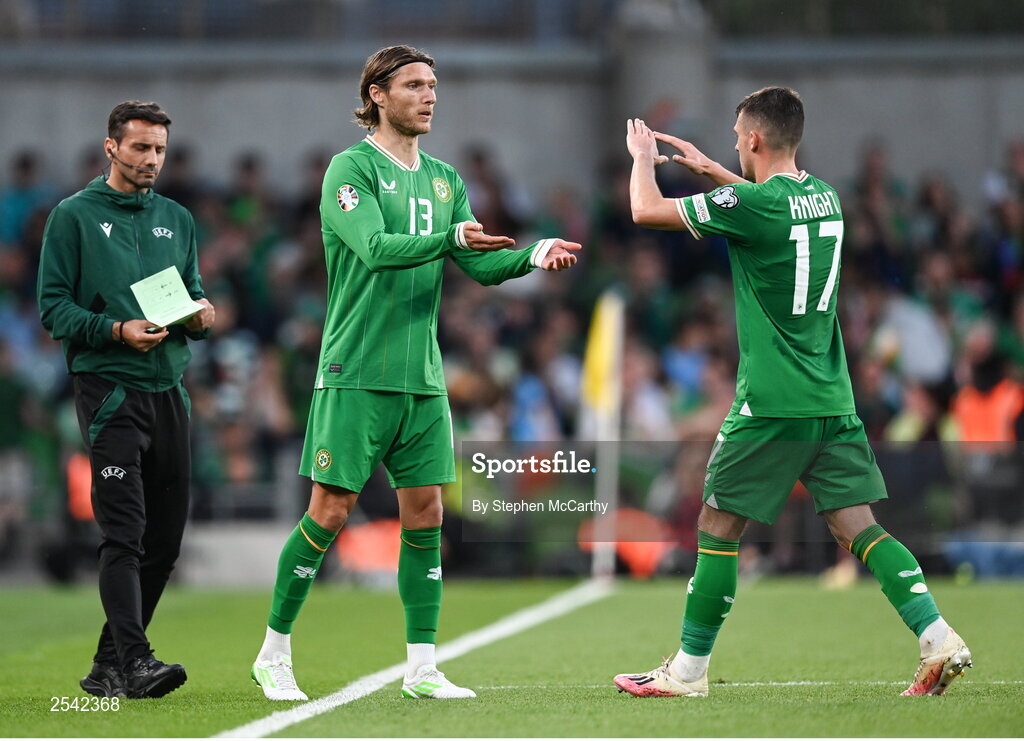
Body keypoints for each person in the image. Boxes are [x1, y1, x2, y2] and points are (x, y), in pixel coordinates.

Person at [613, 87, 971, 698]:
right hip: (831, 399)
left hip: (772, 401)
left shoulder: (753, 206)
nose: (731, 142)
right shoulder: (824, 196)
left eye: (735, 135)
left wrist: (642, 155)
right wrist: (713, 171)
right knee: (859, 528)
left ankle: (688, 673)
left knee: (717, 528)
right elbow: (767, 206)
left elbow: (646, 211)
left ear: (755, 138)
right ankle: (937, 636)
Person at [250, 45, 581, 702]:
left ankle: (422, 666)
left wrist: (528, 256)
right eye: (414, 85)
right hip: (355, 370)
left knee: (427, 512)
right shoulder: (350, 170)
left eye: (433, 85)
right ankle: (274, 651)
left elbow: (477, 264)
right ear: (376, 93)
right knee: (330, 509)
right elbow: (374, 248)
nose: (430, 95)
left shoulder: (444, 179)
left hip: (423, 376)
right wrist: (455, 240)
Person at [37, 101, 216, 699]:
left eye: (159, 150)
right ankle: (136, 661)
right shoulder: (74, 217)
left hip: (170, 391)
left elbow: (191, 294)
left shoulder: (176, 218)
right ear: (110, 147)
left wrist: (202, 315)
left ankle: (107, 666)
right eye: (140, 148)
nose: (151, 160)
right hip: (111, 390)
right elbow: (53, 307)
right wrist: (116, 331)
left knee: (164, 543)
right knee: (125, 534)